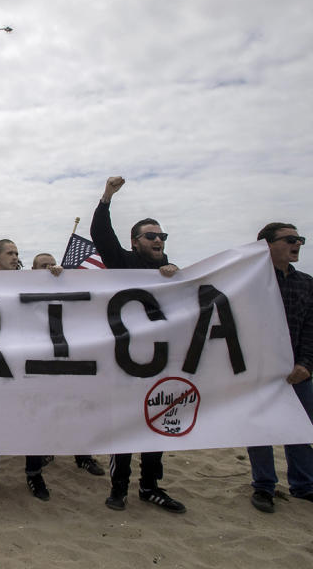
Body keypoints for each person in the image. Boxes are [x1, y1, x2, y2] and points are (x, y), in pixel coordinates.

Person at [91, 176, 185, 513]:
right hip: (127, 363)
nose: (158, 239)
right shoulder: (123, 264)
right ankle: (118, 488)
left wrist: (175, 271)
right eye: (151, 235)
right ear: (135, 242)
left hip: (162, 364)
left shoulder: (171, 272)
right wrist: (107, 198)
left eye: (162, 235)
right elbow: (101, 236)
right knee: (126, 426)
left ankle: (150, 487)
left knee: (156, 424)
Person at [246, 223, 313, 516]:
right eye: (290, 239)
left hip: (298, 373)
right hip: (259, 372)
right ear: (266, 245)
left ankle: (304, 486)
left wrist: (308, 363)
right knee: (259, 430)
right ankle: (263, 485)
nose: (297, 244)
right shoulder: (250, 283)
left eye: (299, 239)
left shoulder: (306, 283)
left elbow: (311, 328)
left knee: (300, 429)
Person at [0, 240, 51, 500]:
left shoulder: (30, 280)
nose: (15, 257)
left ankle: (34, 474)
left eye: (17, 253)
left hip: (25, 360)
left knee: (30, 417)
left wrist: (57, 278)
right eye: (10, 253)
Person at [30, 253, 105, 477]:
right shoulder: (22, 288)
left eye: (52, 264)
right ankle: (46, 450)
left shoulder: (67, 284)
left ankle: (83, 456)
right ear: (33, 270)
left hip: (67, 356)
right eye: (43, 265)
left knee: (75, 409)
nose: (49, 268)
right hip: (39, 359)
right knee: (43, 408)